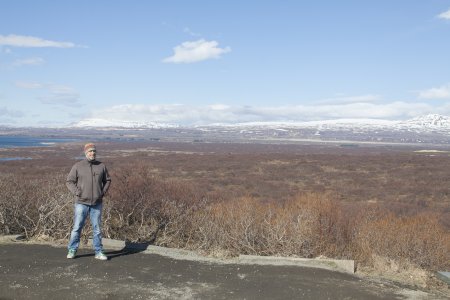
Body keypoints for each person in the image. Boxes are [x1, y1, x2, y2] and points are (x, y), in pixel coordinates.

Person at [66, 143, 111, 260]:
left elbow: (108, 180)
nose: (92, 153)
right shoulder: (78, 166)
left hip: (97, 202)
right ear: (86, 153)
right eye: (90, 151)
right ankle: (72, 249)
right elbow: (69, 181)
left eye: (94, 151)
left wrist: (102, 192)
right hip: (81, 202)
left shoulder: (101, 166)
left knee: (97, 229)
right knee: (77, 227)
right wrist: (77, 192)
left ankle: (99, 251)